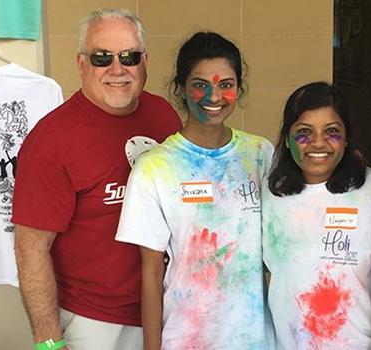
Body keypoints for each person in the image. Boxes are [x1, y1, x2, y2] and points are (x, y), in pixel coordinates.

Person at [12, 9, 181, 350]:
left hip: (168, 307)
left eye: (129, 57)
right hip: (94, 322)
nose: (117, 69)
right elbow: (31, 251)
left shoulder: (163, 116)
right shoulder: (51, 140)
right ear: (81, 63)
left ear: (145, 61)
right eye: (102, 57)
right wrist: (49, 343)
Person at [114, 32, 275, 350]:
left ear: (238, 89)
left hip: (256, 339)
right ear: (182, 89)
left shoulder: (260, 154)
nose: (213, 96)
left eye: (226, 85)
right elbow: (150, 271)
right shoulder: (155, 168)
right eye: (201, 84)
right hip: (187, 338)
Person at [262, 82, 371, 349]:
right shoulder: (271, 193)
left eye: (332, 131)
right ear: (286, 138)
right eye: (304, 132)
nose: (318, 142)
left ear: (347, 138)